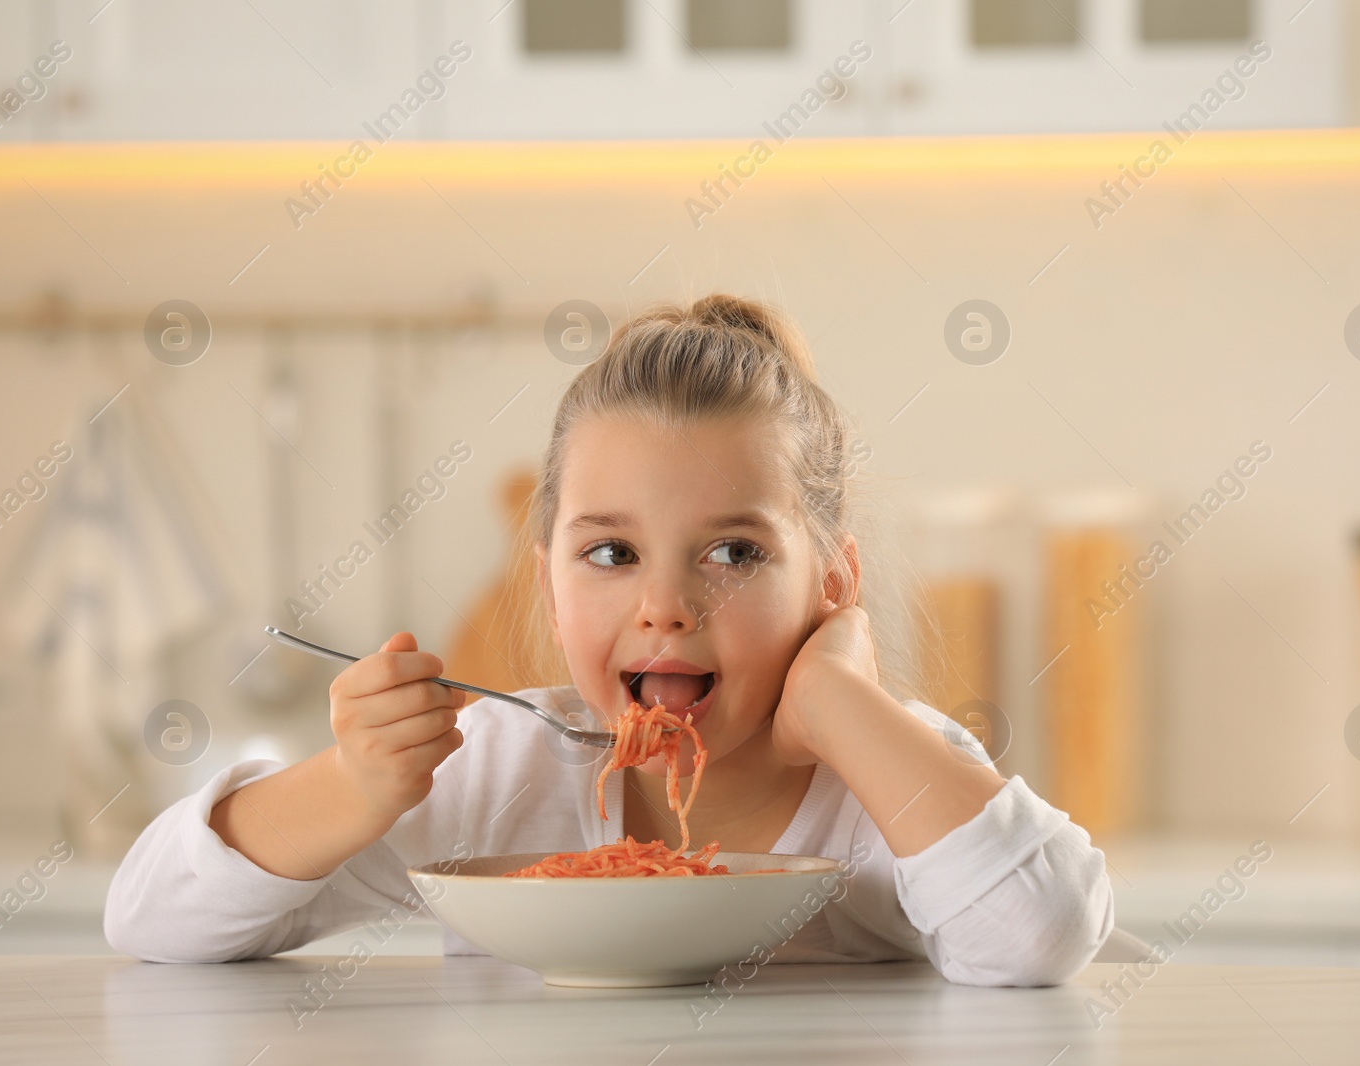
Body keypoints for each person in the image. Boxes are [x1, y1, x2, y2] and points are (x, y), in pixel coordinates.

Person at [105, 294, 1113, 986]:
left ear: (832, 581)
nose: (666, 604)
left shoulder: (890, 777)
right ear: (546, 582)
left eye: (732, 550)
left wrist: (845, 705)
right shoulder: (494, 775)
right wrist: (351, 784)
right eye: (610, 553)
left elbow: (1038, 934)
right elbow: (150, 920)